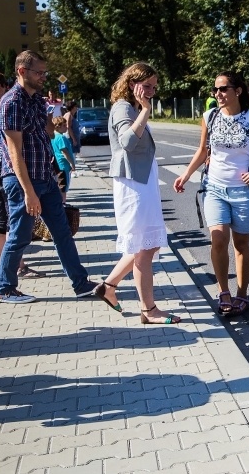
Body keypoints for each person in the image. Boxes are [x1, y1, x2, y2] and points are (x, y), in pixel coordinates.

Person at [0, 51, 101, 303]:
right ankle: (5, 288)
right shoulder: (11, 102)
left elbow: (50, 135)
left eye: (45, 72)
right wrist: (29, 192)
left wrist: (53, 111)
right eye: (38, 72)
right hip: (23, 181)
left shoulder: (35, 100)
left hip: (45, 177)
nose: (43, 77)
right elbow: (14, 153)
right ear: (22, 71)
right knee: (20, 235)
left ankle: (81, 283)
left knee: (62, 231)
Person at [174, 71, 249, 317]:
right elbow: (202, 151)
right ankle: (223, 291)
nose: (217, 94)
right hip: (214, 188)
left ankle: (242, 293)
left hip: (244, 191)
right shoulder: (210, 116)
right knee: (218, 239)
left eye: (222, 89)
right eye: (215, 90)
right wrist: (185, 175)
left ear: (237, 91)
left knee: (241, 244)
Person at [102, 62, 179, 322]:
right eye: (147, 86)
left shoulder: (131, 107)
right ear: (131, 83)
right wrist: (145, 109)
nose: (151, 92)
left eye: (154, 88)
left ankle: (108, 286)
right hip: (133, 186)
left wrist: (143, 108)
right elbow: (127, 142)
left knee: (145, 245)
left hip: (141, 183)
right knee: (144, 248)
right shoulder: (123, 107)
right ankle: (148, 309)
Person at [0, 69, 43, 279]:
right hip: (1, 165)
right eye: (4, 86)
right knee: (10, 218)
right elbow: (12, 132)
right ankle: (14, 266)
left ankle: (4, 264)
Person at [50, 117, 76, 202]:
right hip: (63, 165)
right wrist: (72, 163)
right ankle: (63, 203)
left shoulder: (52, 137)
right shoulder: (61, 137)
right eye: (64, 125)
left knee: (59, 185)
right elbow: (65, 152)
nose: (66, 127)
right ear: (57, 127)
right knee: (63, 187)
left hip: (56, 164)